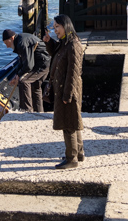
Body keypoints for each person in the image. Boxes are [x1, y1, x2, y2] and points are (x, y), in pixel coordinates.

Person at [44, 13, 84, 168]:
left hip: (68, 90)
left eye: (57, 27)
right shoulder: (65, 42)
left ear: (65, 26)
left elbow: (73, 73)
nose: (55, 30)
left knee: (68, 125)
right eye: (54, 27)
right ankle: (79, 153)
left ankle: (71, 159)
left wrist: (67, 95)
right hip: (63, 89)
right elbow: (57, 55)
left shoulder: (74, 45)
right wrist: (49, 42)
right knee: (74, 122)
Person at [4, 28, 51, 112]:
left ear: (12, 38)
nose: (7, 46)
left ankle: (27, 111)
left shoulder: (21, 43)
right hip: (45, 62)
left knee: (23, 81)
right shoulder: (20, 40)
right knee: (35, 87)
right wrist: (17, 74)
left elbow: (29, 65)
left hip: (42, 64)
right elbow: (22, 61)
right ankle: (39, 112)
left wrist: (19, 76)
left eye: (6, 43)